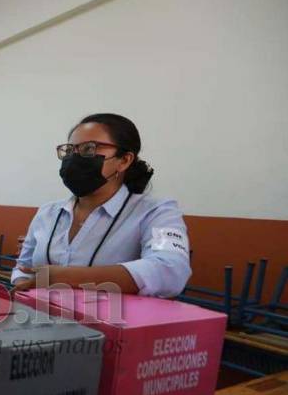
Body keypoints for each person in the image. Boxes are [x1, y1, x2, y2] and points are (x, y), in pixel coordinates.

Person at [11, 113, 191, 298]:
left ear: (124, 160)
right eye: (70, 150)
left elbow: (169, 270)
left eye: (89, 148)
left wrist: (65, 277)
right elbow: (23, 268)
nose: (75, 158)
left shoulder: (156, 212)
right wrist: (24, 284)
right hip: (41, 319)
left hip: (113, 322)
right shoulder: (48, 212)